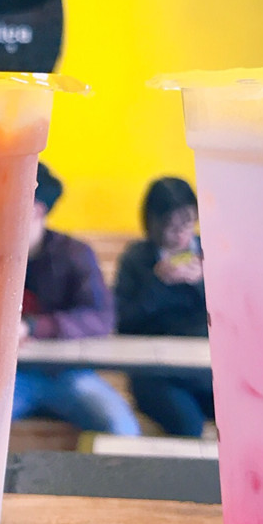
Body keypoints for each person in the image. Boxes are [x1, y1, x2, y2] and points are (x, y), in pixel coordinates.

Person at [12, 163, 141, 435]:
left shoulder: (73, 254)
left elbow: (101, 318)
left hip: (68, 374)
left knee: (122, 428)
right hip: (11, 377)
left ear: (37, 209)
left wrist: (33, 327)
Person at [114, 176, 213, 436]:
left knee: (246, 412)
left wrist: (202, 284)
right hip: (154, 373)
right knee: (187, 425)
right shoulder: (136, 259)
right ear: (152, 223)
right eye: (170, 225)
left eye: (187, 223)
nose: (180, 233)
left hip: (206, 368)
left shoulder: (212, 252)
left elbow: (235, 317)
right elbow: (123, 322)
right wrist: (158, 284)